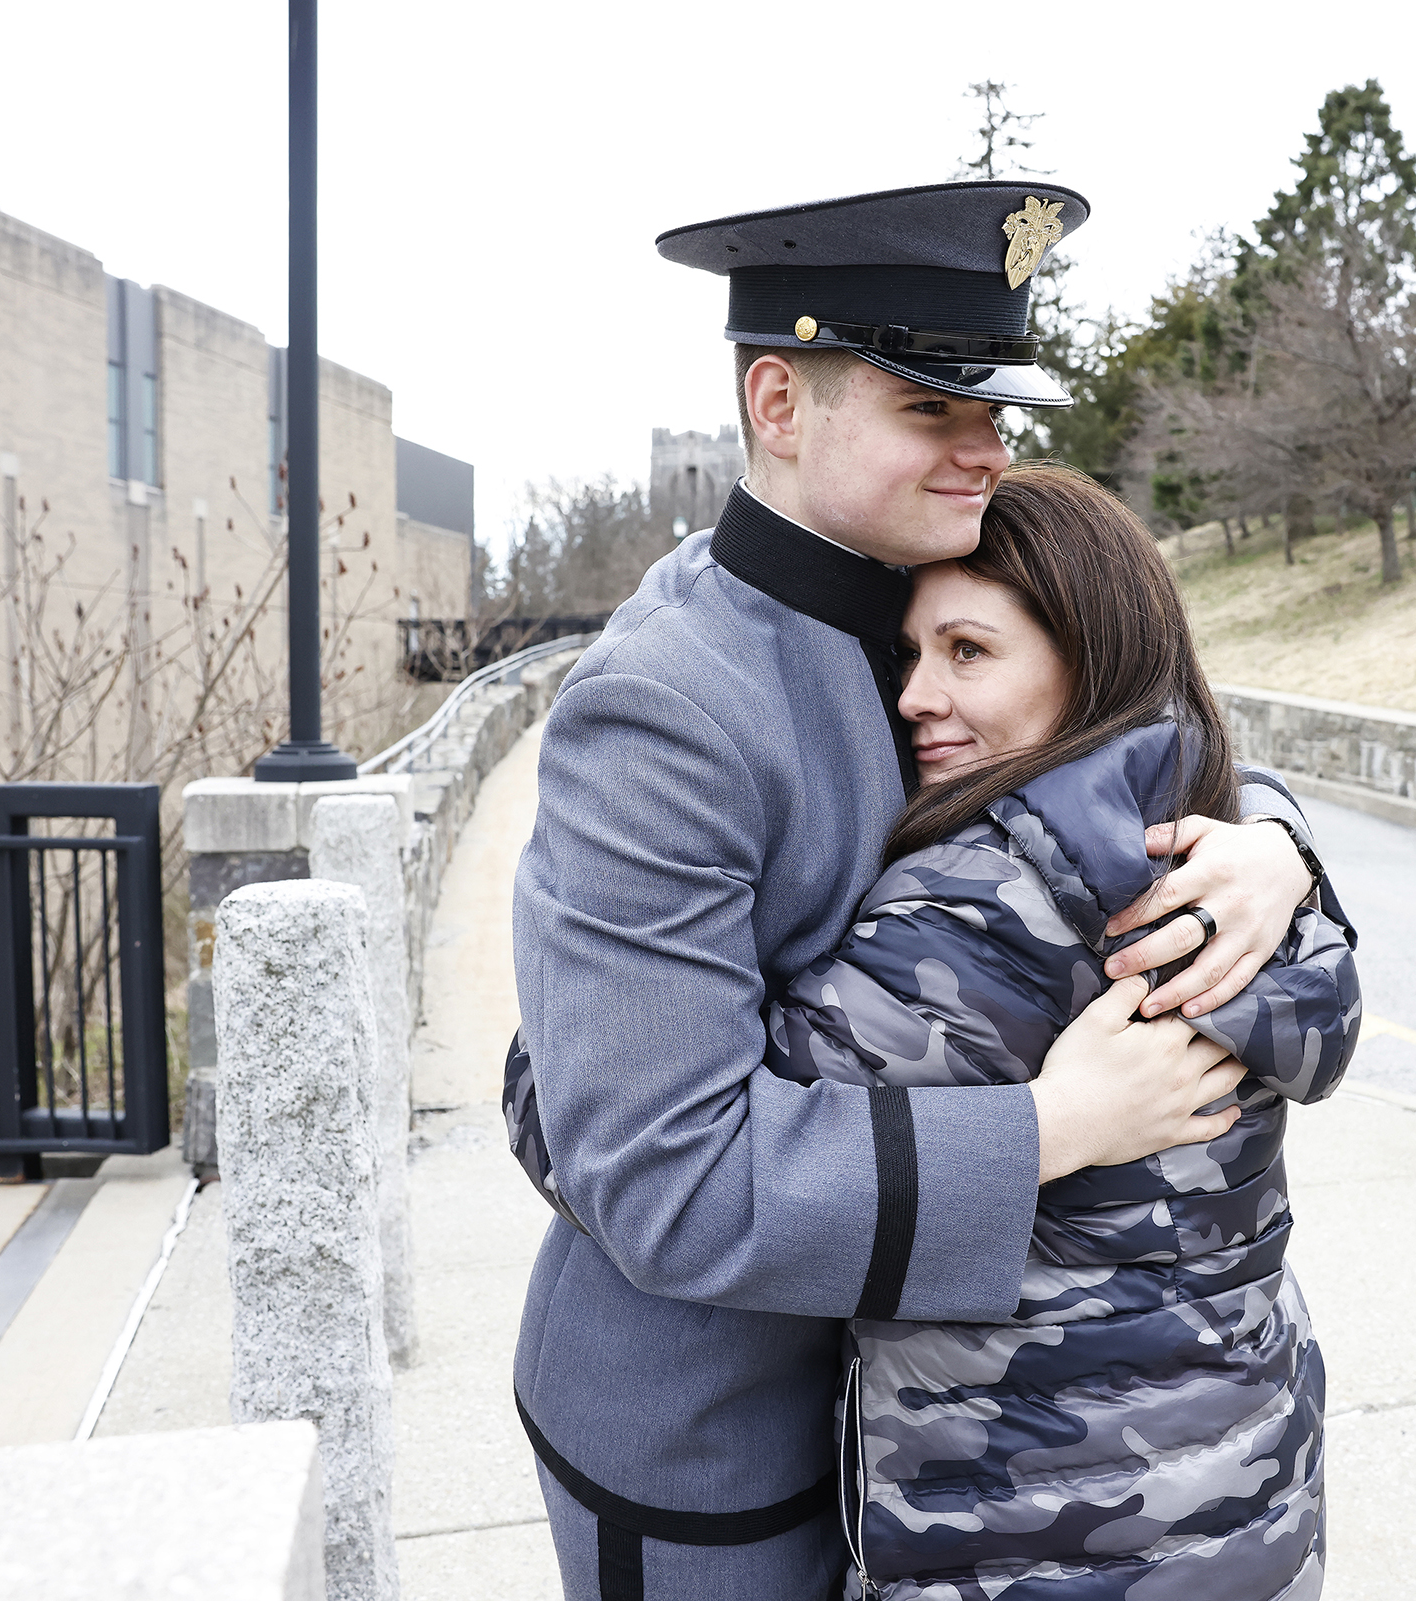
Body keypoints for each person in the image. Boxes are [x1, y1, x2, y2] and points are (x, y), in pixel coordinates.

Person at [510, 181, 1343, 1601]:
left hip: (944, 1446)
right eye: (931, 410)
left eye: (994, 411)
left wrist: (1270, 841)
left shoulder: (924, 599)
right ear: (780, 401)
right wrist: (1047, 1127)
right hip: (730, 1431)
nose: (989, 451)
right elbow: (661, 1175)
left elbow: (1116, 729)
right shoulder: (664, 706)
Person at [766, 463, 1357, 1601]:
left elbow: (651, 1141)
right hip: (1248, 1509)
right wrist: (1289, 836)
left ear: (1086, 661)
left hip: (1031, 1545)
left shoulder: (983, 916)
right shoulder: (1231, 852)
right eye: (909, 654)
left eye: (968, 651)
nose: (914, 696)